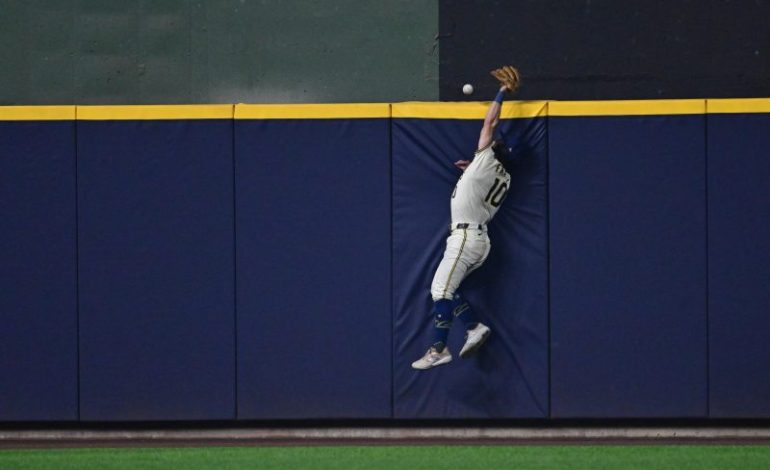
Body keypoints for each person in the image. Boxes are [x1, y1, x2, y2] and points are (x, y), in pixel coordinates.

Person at [412, 66, 520, 370]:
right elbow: (483, 180)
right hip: (479, 240)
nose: (492, 142)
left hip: (465, 238)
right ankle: (474, 327)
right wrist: (471, 169)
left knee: (439, 291)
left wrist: (502, 92)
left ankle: (438, 349)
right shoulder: (503, 176)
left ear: (494, 152)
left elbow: (491, 120)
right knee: (448, 288)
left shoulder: (486, 159)